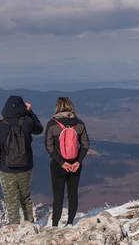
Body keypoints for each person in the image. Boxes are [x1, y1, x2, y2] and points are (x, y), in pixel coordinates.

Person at [0, 96, 43, 225]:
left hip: (5, 169)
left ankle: (14, 226)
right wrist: (30, 111)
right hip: (26, 166)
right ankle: (29, 224)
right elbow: (39, 129)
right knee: (25, 197)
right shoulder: (27, 122)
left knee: (10, 199)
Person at [45, 97, 89, 227]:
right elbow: (85, 145)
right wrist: (78, 161)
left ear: (57, 107)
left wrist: (61, 162)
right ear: (71, 107)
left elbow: (49, 146)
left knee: (58, 195)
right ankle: (70, 223)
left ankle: (54, 224)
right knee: (73, 193)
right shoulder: (79, 123)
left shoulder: (52, 124)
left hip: (58, 165)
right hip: (75, 164)